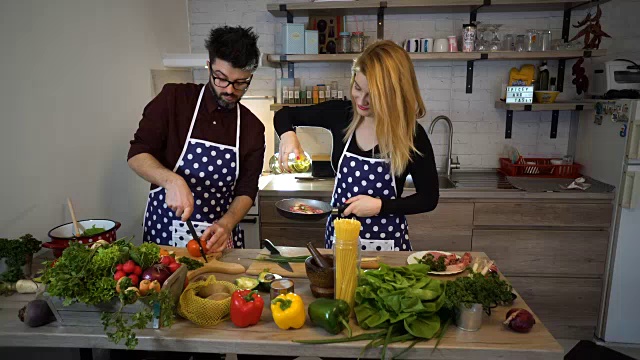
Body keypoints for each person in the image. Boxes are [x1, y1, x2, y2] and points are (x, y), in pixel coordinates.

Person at [274, 40, 439, 251]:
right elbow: (284, 114)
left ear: (393, 95)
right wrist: (288, 135)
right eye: (358, 88)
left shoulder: (411, 135)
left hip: (388, 243)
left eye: (373, 95)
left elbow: (429, 198)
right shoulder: (341, 115)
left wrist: (380, 206)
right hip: (340, 239)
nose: (361, 100)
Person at [128, 26, 265, 252]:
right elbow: (137, 155)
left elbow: (247, 189)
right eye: (221, 79)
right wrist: (171, 180)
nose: (230, 90)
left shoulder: (252, 127)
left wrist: (227, 223)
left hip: (218, 238)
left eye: (241, 83)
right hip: (164, 235)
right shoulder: (174, 99)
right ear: (209, 66)